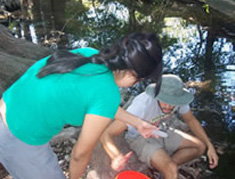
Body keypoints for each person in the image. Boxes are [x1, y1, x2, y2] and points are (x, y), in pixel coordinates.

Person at [0, 32, 163, 179]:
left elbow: (100, 105)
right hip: (18, 138)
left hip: (7, 108)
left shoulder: (90, 54)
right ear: (132, 75)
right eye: (140, 81)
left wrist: (137, 123)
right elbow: (80, 154)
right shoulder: (108, 95)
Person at [101, 74, 219, 179]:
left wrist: (210, 146)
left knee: (199, 147)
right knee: (171, 169)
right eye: (164, 100)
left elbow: (191, 120)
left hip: (160, 130)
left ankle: (162, 169)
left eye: (172, 102)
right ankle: (167, 169)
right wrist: (115, 156)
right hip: (140, 137)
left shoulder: (179, 98)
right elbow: (107, 134)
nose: (168, 106)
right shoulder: (141, 105)